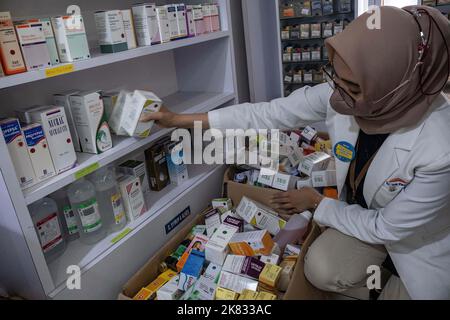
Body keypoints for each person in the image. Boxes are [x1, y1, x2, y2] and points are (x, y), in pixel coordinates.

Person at [142, 5, 450, 299]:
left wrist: (317, 203)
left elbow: (388, 227)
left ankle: (392, 285)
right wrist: (178, 119)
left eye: (353, 87)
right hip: (361, 213)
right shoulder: (342, 93)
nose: (338, 95)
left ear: (394, 85)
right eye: (335, 77)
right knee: (320, 268)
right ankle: (375, 282)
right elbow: (267, 114)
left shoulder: (440, 147)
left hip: (413, 240)